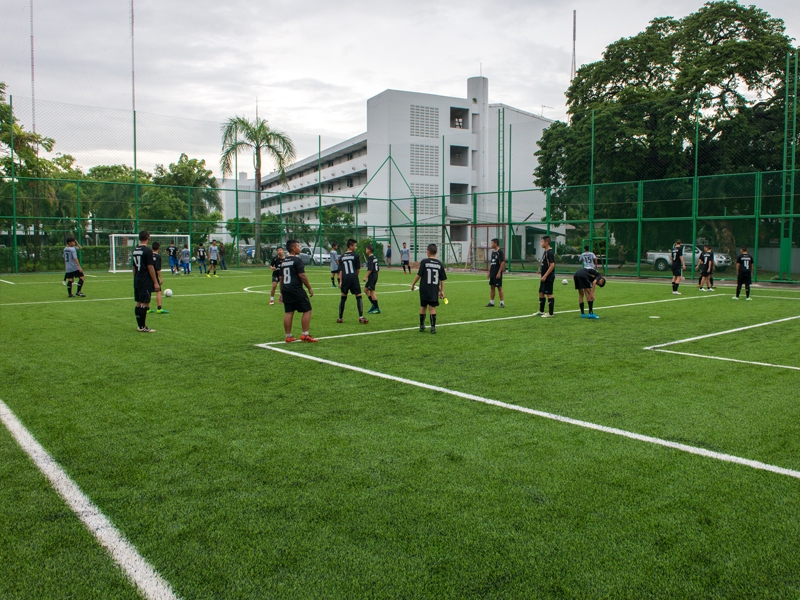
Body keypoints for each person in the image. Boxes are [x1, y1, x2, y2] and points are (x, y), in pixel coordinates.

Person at [278, 239, 316, 343]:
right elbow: (302, 275)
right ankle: (305, 334)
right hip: (296, 289)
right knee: (307, 309)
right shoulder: (297, 260)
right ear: (293, 249)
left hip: (286, 289)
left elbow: (281, 278)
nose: (299, 248)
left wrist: (281, 292)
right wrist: (309, 287)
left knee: (289, 312)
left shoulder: (283, 262)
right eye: (298, 246)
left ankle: (288, 336)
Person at [411, 243, 447, 334]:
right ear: (436, 252)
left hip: (424, 288)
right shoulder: (440, 264)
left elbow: (419, 274)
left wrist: (413, 284)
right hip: (433, 289)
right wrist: (442, 291)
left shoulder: (424, 262)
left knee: (423, 306)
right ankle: (433, 328)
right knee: (432, 307)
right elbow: (442, 279)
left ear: (428, 252)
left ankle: (422, 326)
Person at [132, 230, 160, 333]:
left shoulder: (135, 250)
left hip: (137, 279)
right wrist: (155, 282)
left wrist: (135, 278)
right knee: (144, 303)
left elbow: (133, 267)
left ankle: (139, 326)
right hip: (145, 280)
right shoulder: (148, 251)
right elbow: (150, 267)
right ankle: (142, 326)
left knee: (138, 303)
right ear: (148, 237)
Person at [337, 239, 368, 324]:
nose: (355, 247)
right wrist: (355, 277)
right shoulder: (355, 256)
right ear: (350, 246)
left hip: (345, 278)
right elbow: (358, 269)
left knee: (343, 297)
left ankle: (340, 318)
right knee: (358, 296)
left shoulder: (342, 257)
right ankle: (361, 317)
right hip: (353, 277)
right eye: (355, 245)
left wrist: (340, 281)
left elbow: (340, 270)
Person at [537, 236, 556, 317]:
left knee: (549, 294)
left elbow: (552, 265)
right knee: (541, 292)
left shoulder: (550, 253)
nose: (541, 243)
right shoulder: (545, 252)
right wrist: (539, 269)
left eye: (542, 242)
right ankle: (541, 311)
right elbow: (544, 263)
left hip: (548, 277)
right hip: (544, 277)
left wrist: (545, 275)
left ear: (546, 242)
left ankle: (550, 313)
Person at [148, 241, 169, 314]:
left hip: (148, 276)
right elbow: (157, 269)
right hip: (154, 276)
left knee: (149, 292)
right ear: (159, 248)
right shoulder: (158, 257)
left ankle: (147, 308)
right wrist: (160, 278)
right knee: (158, 291)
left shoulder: (148, 255)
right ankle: (159, 308)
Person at [485, 237, 505, 308]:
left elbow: (502, 262)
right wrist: (489, 272)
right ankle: (491, 302)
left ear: (496, 244)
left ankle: (502, 303)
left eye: (492, 243)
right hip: (492, 273)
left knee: (499, 287)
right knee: (492, 287)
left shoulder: (500, 252)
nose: (491, 244)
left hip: (497, 272)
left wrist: (499, 272)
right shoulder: (493, 252)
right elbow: (492, 263)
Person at [364, 244, 381, 314]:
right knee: (365, 290)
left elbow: (370, 269)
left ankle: (377, 308)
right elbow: (378, 269)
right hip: (374, 275)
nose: (365, 251)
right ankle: (373, 305)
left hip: (372, 276)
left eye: (366, 249)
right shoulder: (374, 257)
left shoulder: (370, 258)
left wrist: (366, 277)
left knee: (372, 292)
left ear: (369, 250)